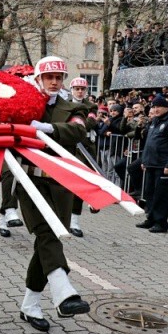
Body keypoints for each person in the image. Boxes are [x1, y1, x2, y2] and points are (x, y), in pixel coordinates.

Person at [16, 56, 90, 333]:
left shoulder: (73, 106)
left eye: (59, 77)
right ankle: (64, 292)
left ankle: (30, 305)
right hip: (30, 182)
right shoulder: (23, 104)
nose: (55, 82)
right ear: (38, 79)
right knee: (46, 235)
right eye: (49, 77)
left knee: (45, 244)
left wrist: (48, 129)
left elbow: (78, 131)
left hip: (60, 186)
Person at [136, 94, 168, 233]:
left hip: (163, 164)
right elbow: (148, 142)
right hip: (151, 163)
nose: (155, 109)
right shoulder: (154, 121)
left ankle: (161, 223)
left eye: (158, 107)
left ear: (166, 107)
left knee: (161, 195)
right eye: (154, 107)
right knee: (149, 193)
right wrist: (144, 160)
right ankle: (151, 218)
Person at [68, 77, 98, 237]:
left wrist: (71, 127)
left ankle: (75, 220)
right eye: (77, 88)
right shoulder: (64, 103)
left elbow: (91, 123)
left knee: (80, 184)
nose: (79, 91)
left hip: (84, 149)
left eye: (82, 89)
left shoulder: (91, 106)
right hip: (66, 147)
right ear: (71, 89)